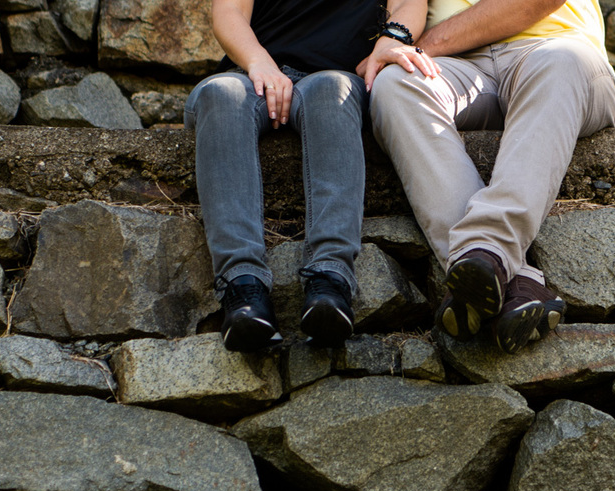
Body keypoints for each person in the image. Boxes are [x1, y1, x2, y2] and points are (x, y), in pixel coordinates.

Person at [362, 0, 615, 353]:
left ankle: (488, 251)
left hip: (557, 50)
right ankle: (510, 276)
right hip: (459, 67)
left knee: (562, 61)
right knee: (395, 83)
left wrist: (417, 48)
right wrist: (393, 55)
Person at [187, 0, 438, 351]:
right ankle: (242, 287)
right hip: (251, 77)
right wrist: (260, 63)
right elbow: (229, 13)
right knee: (218, 94)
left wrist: (390, 41)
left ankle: (330, 280)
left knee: (331, 92)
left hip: (335, 78)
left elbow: (409, 5)